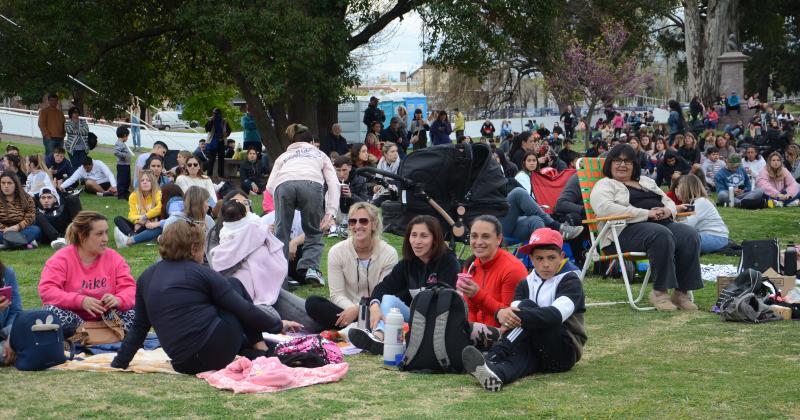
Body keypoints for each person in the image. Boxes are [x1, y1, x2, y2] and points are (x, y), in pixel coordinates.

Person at [110, 221, 289, 375]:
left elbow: (139, 327)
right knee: (234, 285)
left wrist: (120, 361)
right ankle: (261, 348)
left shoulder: (146, 277)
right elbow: (243, 309)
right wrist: (277, 325)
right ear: (194, 248)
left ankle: (255, 349)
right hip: (215, 353)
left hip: (184, 363)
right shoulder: (202, 273)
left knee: (223, 316)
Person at [462, 227, 586, 392]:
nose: (546, 264)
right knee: (520, 358)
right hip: (536, 348)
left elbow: (554, 316)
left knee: (526, 307)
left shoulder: (570, 281)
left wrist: (511, 316)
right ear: (531, 259)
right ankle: (496, 373)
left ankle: (494, 355)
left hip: (563, 352)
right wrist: (509, 317)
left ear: (562, 257)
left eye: (551, 258)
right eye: (539, 258)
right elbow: (514, 319)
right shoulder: (525, 283)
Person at [590, 144, 702, 311]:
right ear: (610, 164)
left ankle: (681, 294)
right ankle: (660, 293)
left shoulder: (646, 181)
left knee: (688, 234)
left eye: (627, 161)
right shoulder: (605, 184)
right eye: (617, 160)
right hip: (622, 233)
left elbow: (669, 201)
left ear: (635, 165)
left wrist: (667, 210)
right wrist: (646, 214)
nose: (622, 165)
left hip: (661, 225)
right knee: (660, 234)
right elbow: (604, 208)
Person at [348, 215, 460, 354]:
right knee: (388, 299)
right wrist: (375, 305)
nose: (417, 241)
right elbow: (384, 287)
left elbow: (446, 300)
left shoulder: (448, 262)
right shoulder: (408, 263)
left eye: (424, 236)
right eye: (413, 235)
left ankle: (388, 339)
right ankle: (378, 337)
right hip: (414, 317)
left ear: (435, 239)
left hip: (437, 321)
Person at [209, 200, 321, 332]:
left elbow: (266, 239)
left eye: (245, 201)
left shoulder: (256, 224)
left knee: (312, 321)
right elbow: (219, 262)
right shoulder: (221, 234)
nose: (243, 204)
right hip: (244, 296)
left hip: (270, 285)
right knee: (271, 320)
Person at [39, 211, 136, 338]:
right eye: (99, 234)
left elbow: (130, 288)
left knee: (140, 309)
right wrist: (80, 301)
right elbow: (47, 291)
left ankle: (96, 335)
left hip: (109, 318)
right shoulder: (61, 259)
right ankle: (93, 335)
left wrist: (118, 299)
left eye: (106, 232)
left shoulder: (113, 257)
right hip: (74, 320)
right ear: (81, 236)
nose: (106, 239)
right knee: (50, 313)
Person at [304, 202, 397, 331]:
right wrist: (354, 310)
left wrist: (359, 309)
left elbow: (384, 294)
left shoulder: (389, 253)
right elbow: (337, 295)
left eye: (363, 221)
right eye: (353, 222)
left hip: (377, 309)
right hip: (346, 309)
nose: (357, 226)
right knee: (313, 303)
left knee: (393, 307)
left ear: (374, 224)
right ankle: (363, 327)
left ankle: (355, 328)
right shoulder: (337, 251)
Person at [267, 124, 340, 286]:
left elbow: (270, 186)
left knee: (282, 233)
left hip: (283, 185)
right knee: (313, 231)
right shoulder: (319, 154)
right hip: (311, 184)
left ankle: (280, 277)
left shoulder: (283, 156)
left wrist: (284, 202)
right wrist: (331, 211)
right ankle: (311, 269)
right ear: (312, 142)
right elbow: (334, 183)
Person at [458, 216, 529, 328]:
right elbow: (470, 309)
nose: (479, 242)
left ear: (498, 239)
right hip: (477, 333)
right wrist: (469, 332)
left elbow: (510, 316)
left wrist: (478, 295)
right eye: (474, 236)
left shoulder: (513, 269)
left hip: (502, 334)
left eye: (486, 236)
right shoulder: (471, 265)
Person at [675, 174, 729, 254]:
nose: (676, 190)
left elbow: (687, 226)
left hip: (715, 237)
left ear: (686, 189)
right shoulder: (694, 203)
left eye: (678, 187)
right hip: (707, 236)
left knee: (679, 244)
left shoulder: (701, 202)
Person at [112, 170, 162, 248]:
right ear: (139, 183)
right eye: (142, 180)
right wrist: (139, 221)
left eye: (148, 180)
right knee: (118, 219)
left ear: (153, 182)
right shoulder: (133, 195)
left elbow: (159, 208)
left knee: (151, 224)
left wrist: (146, 217)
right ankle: (132, 235)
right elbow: (131, 215)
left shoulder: (158, 193)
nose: (145, 182)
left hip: (151, 224)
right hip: (138, 224)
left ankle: (129, 237)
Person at [0, 171, 41, 248]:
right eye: (3, 183)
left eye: (9, 183)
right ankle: (24, 244)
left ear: (16, 184)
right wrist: (5, 229)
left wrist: (17, 227)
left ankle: (6, 245)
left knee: (35, 230)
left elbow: (30, 217)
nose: (6, 186)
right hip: (3, 231)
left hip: (21, 229)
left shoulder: (26, 198)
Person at [333, 156, 369, 222]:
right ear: (334, 169)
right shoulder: (330, 180)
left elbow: (365, 204)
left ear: (350, 168)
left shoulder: (360, 180)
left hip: (355, 214)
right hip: (335, 214)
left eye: (344, 170)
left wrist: (351, 196)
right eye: (338, 170)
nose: (341, 174)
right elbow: (322, 201)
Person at [0, 260, 22, 366]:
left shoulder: (7, 274)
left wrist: (12, 337)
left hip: (4, 331)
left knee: (29, 327)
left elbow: (15, 312)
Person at [204, 108, 232, 180]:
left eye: (216, 113)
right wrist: (211, 121)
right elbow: (207, 129)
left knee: (221, 159)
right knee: (211, 159)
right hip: (212, 142)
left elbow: (229, 130)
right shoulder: (211, 120)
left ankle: (221, 175)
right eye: (214, 113)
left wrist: (226, 134)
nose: (215, 115)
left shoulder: (224, 121)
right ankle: (209, 175)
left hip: (221, 142)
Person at [114, 126, 133, 200]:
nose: (127, 138)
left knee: (127, 179)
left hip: (126, 165)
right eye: (127, 136)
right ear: (125, 135)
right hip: (122, 166)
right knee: (122, 180)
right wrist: (124, 156)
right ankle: (121, 194)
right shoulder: (119, 143)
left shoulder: (121, 143)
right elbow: (116, 152)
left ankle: (125, 192)